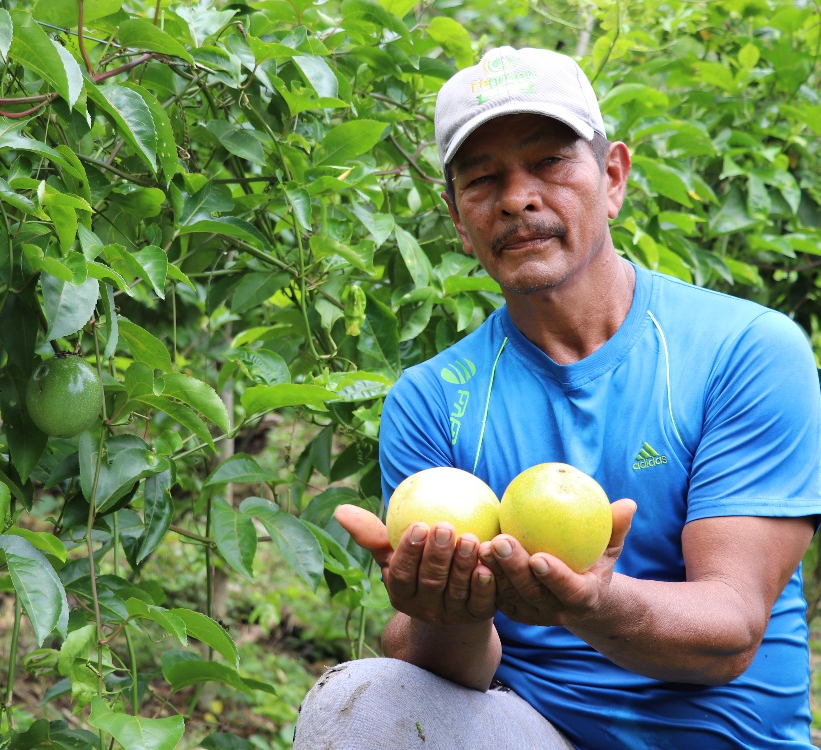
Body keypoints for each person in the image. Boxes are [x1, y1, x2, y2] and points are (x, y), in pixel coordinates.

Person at [293, 46, 821, 749]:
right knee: (358, 703)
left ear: (613, 178)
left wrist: (594, 603)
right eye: (483, 179)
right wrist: (441, 612)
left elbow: (729, 633)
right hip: (536, 730)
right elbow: (460, 672)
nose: (518, 198)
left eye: (548, 163)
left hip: (727, 737)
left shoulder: (744, 350)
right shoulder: (431, 399)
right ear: (458, 218)